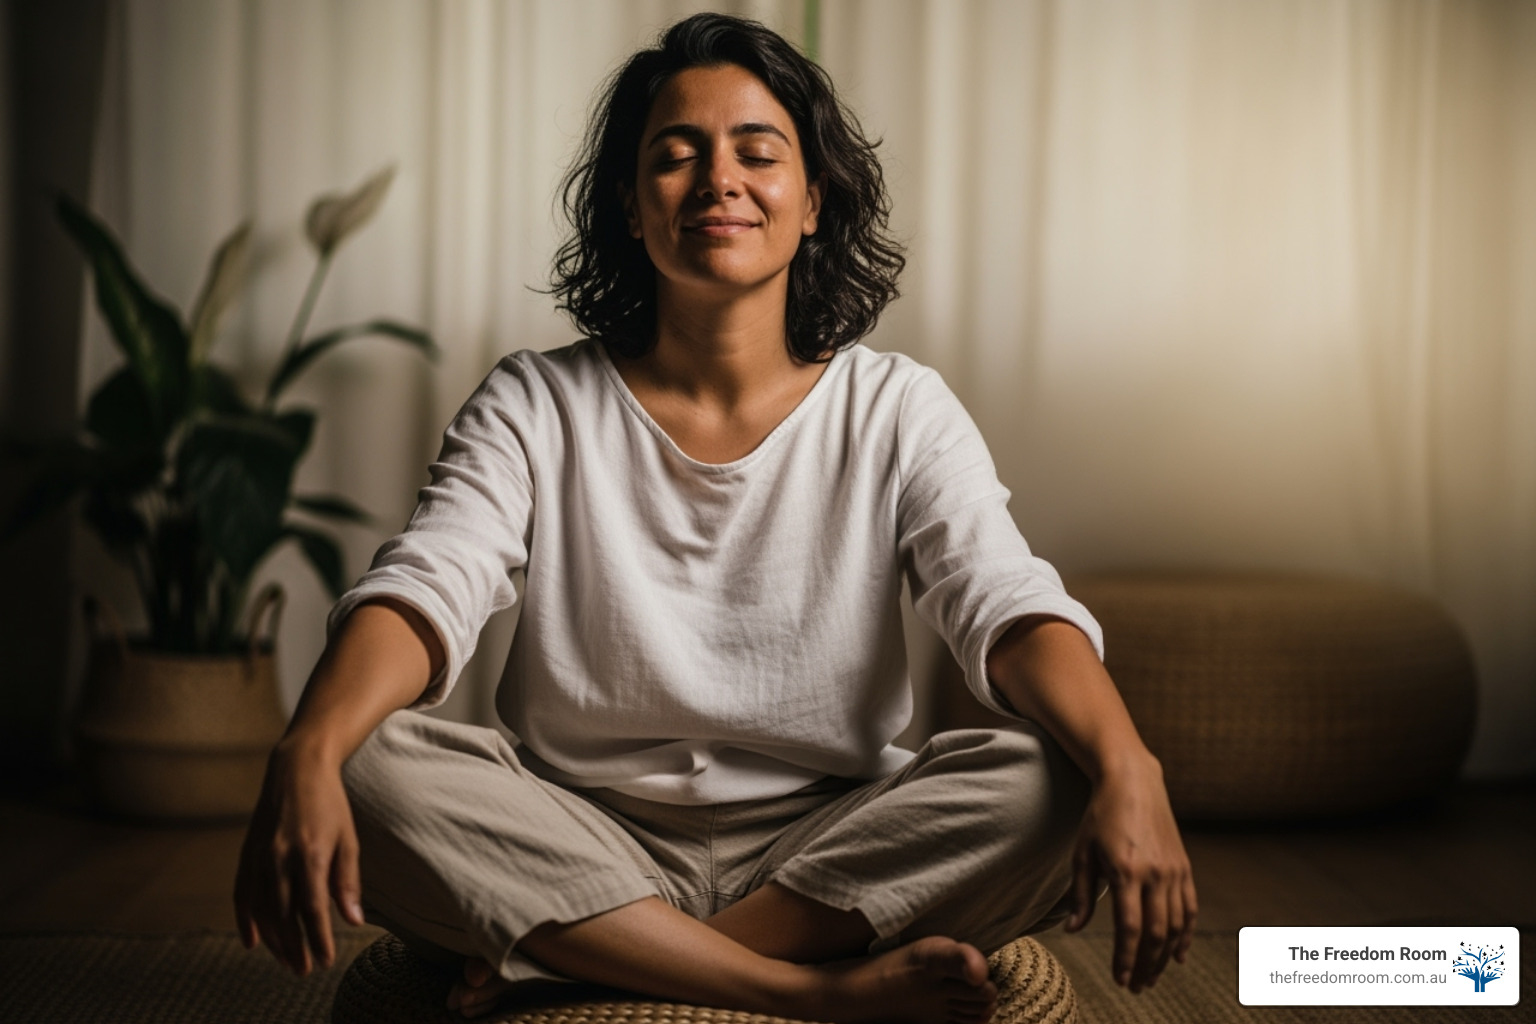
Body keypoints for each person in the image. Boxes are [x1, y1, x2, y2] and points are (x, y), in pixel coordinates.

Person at [235, 14, 1195, 1024]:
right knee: (369, 754)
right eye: (675, 155)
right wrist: (307, 745)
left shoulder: (897, 406)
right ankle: (795, 990)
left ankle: (598, 959)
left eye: (758, 152)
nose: (717, 180)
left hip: (827, 848)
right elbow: (430, 583)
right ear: (630, 204)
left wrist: (1130, 765)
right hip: (578, 830)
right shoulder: (536, 401)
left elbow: (1002, 601)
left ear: (814, 199)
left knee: (1050, 772)